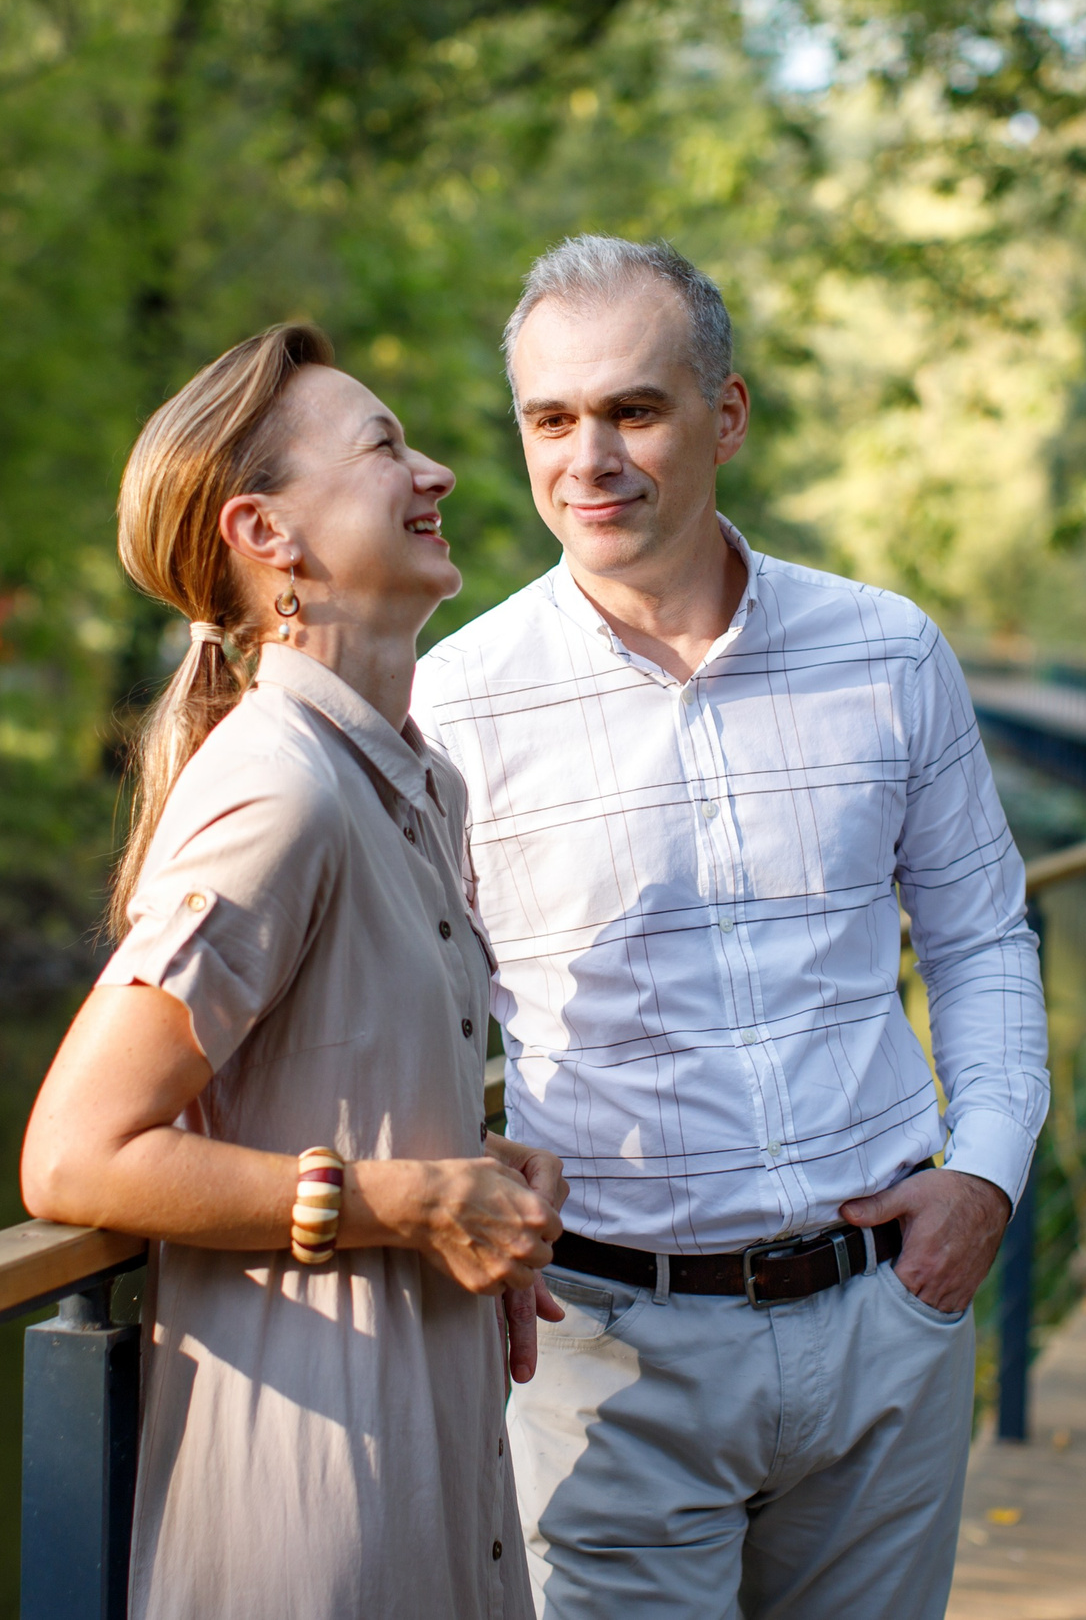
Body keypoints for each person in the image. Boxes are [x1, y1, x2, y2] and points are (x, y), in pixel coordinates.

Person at [413, 237, 1050, 1619]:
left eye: (634, 409)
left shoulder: (887, 651)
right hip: (602, 1353)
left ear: (728, 414)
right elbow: (399, 1021)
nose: (592, 458)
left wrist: (985, 1175)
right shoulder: (450, 707)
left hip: (888, 1321)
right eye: (551, 418)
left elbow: (984, 935)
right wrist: (448, 1188)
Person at [19, 323, 568, 1620]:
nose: (434, 469)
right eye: (384, 446)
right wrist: (406, 1196)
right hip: (314, 1502)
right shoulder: (278, 786)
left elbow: (333, 1085)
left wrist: (470, 1165)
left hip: (439, 1459)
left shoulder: (416, 779)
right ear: (267, 534)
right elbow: (74, 1154)